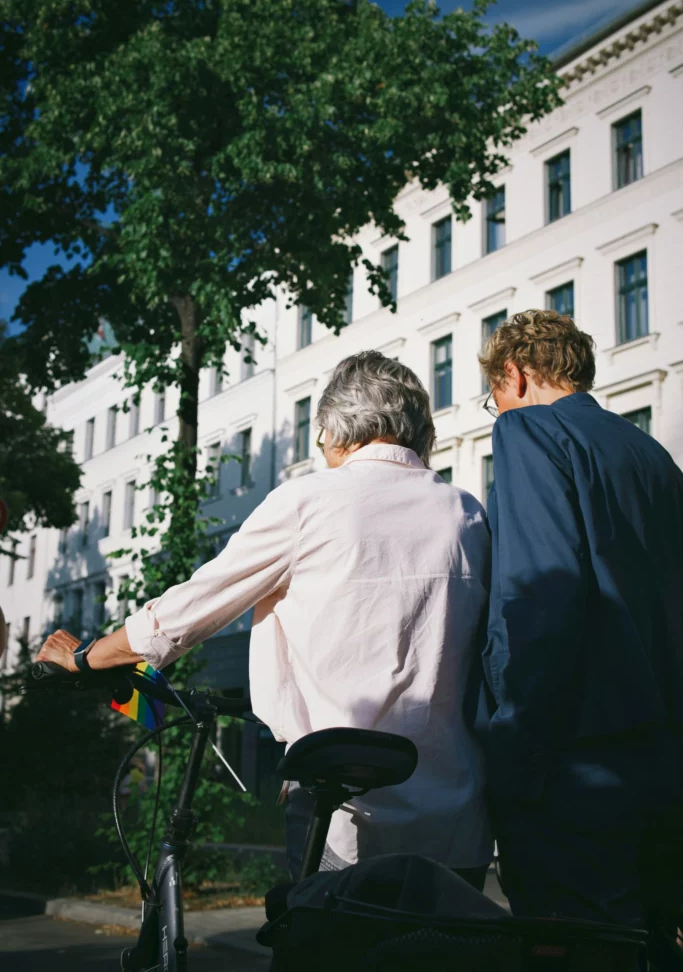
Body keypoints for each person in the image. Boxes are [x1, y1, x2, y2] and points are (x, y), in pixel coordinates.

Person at [38, 351, 493, 887]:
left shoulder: (309, 501)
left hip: (344, 817)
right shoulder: (467, 514)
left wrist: (86, 657)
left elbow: (190, 609)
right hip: (456, 816)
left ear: (334, 430)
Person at [478, 309, 683, 933]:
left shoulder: (530, 434)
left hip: (575, 761)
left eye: (493, 399)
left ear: (513, 375)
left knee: (576, 944)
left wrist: (510, 743)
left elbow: (540, 594)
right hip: (663, 756)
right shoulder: (652, 455)